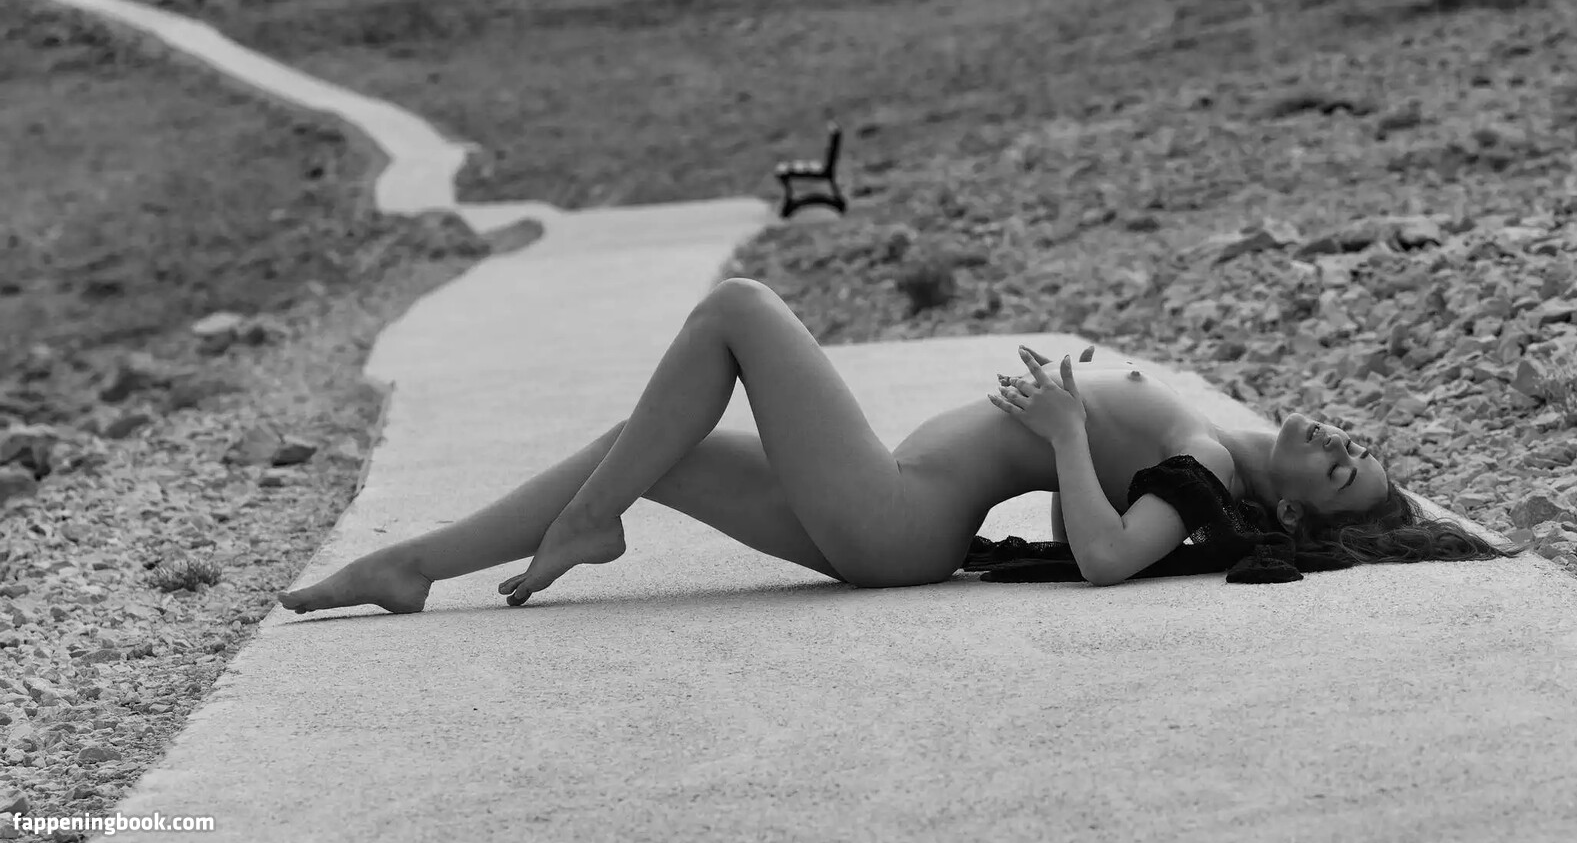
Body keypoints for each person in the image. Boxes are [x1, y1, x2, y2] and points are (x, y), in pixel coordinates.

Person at [279, 277, 1510, 614]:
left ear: (1293, 513)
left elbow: (1107, 560)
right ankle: (416, 566)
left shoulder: (1213, 473)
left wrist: (1067, 435)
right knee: (650, 444)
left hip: (897, 522)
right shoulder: (1226, 436)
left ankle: (593, 525)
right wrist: (1071, 437)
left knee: (739, 309)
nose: (1335, 436)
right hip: (886, 502)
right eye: (1356, 440)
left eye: (1339, 467)